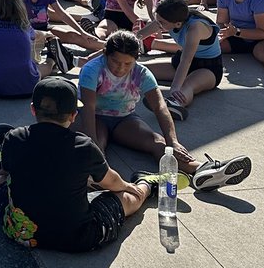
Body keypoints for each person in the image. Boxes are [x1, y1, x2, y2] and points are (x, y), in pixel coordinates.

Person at [0, 77, 155, 252]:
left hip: (21, 231)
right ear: (73, 115)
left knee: (2, 177)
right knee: (123, 198)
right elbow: (111, 182)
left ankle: (1, 159)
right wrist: (126, 186)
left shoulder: (14, 137)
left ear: (33, 109)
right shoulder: (83, 146)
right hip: (78, 238)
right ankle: (145, 186)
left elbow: (5, 173)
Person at [78, 30, 250, 189]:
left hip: (124, 118)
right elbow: (88, 107)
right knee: (95, 146)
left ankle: (204, 171)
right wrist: (93, 143)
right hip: (95, 116)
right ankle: (96, 178)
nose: (120, 68)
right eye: (115, 61)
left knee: (159, 144)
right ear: (105, 54)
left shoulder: (141, 73)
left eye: (127, 63)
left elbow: (160, 106)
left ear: (136, 60)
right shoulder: (92, 70)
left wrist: (172, 140)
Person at [139, 0, 224, 120]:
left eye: (161, 23)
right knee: (142, 71)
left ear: (178, 23)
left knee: (187, 85)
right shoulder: (168, 19)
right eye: (157, 20)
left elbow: (186, 60)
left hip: (207, 68)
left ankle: (174, 104)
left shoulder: (195, 27)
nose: (158, 25)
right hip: (182, 62)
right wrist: (123, 43)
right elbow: (138, 36)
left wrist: (174, 88)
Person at [20, 0, 100, 62]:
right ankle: (59, 59)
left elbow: (62, 14)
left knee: (73, 36)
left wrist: (82, 32)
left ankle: (109, 46)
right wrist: (40, 35)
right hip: (28, 32)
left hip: (45, 28)